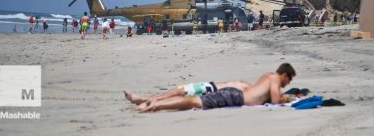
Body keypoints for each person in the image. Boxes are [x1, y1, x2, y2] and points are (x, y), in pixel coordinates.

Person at [133, 63, 296, 112]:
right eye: (288, 80)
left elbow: (264, 96)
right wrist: (287, 98)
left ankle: (153, 103)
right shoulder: (275, 78)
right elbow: (275, 100)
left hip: (232, 95)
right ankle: (156, 104)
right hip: (233, 96)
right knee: (192, 101)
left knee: (191, 100)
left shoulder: (266, 76)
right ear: (285, 75)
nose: (286, 84)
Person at [125, 80, 251, 106]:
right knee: (176, 92)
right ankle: (147, 99)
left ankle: (144, 99)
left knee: (177, 92)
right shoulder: (251, 87)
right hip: (211, 86)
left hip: (212, 89)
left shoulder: (250, 89)